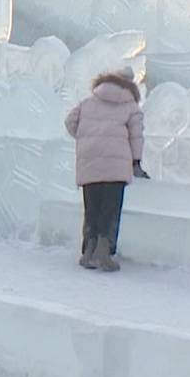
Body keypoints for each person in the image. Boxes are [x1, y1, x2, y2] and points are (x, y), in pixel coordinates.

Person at [64, 68, 146, 272]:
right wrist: (136, 161)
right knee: (110, 209)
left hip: (89, 159)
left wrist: (86, 139)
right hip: (116, 164)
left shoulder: (88, 102)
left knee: (92, 207)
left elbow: (70, 122)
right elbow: (136, 135)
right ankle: (104, 252)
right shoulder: (130, 106)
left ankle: (88, 251)